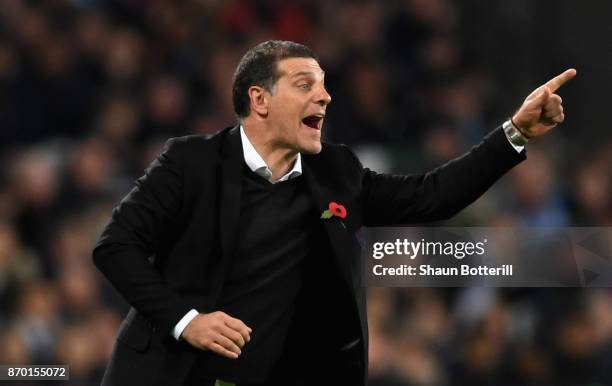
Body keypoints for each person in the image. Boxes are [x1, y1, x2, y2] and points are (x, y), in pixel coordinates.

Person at [92, 40, 575, 386]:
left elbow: (432, 196)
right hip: (169, 373)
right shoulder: (189, 162)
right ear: (259, 100)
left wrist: (515, 132)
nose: (324, 96)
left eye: (324, 86)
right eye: (305, 85)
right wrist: (187, 319)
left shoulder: (335, 171)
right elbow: (115, 246)